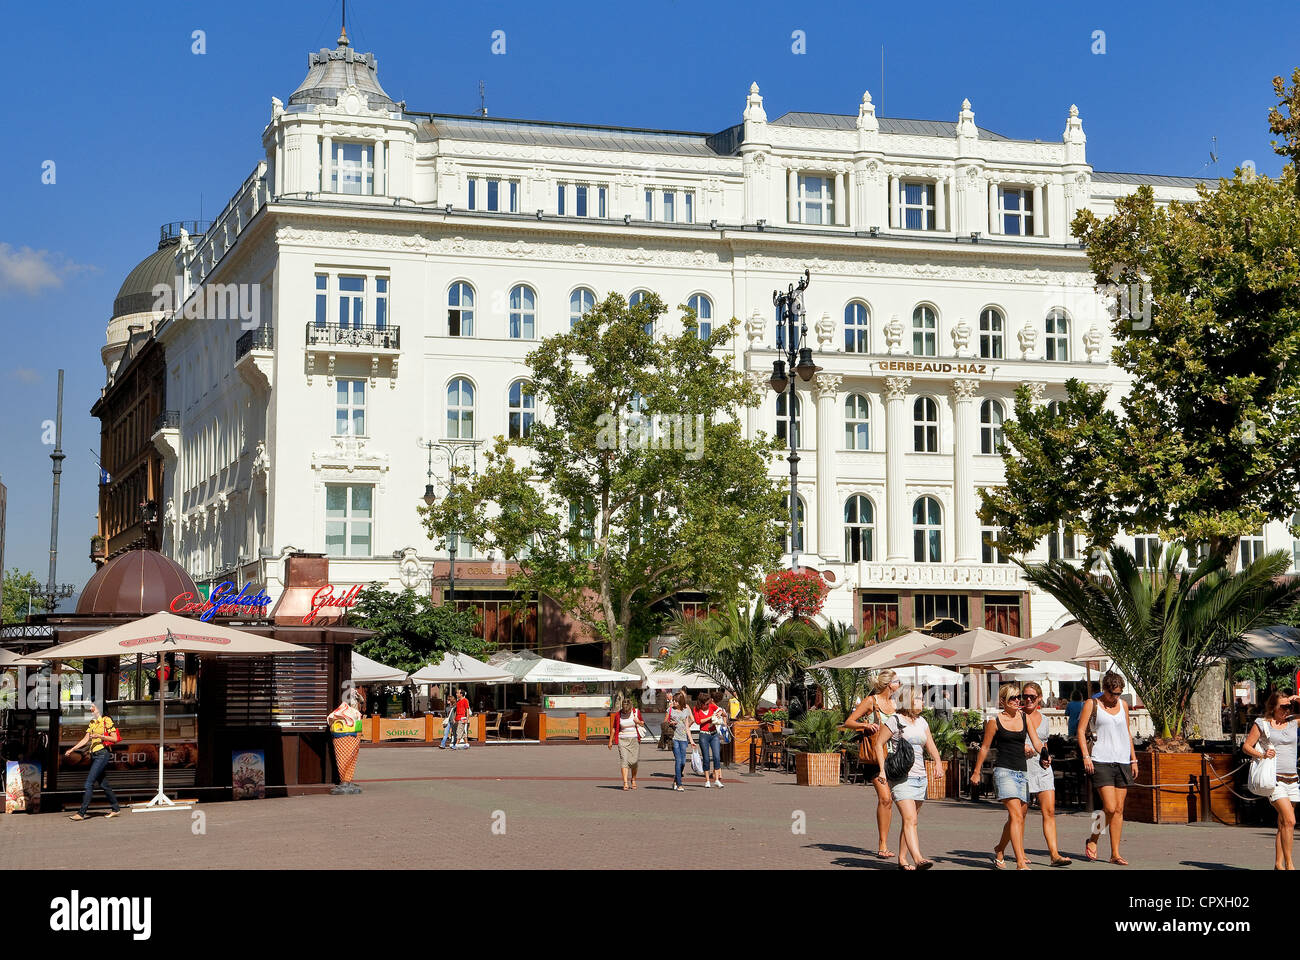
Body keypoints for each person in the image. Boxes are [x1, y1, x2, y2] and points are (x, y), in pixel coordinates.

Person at [971, 683, 1045, 870]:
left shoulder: (1024, 717)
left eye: (1017, 697)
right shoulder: (994, 721)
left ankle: (1000, 848)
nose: (1017, 701)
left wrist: (1044, 755)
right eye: (1012, 698)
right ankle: (1020, 862)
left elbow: (1036, 741)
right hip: (1004, 772)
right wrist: (977, 771)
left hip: (1022, 772)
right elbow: (985, 747)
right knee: (1016, 816)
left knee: (1017, 817)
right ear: (1002, 701)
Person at [870, 685, 942, 870]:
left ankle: (903, 859)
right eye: (919, 698)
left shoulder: (922, 722)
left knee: (909, 821)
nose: (923, 701)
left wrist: (938, 763)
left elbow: (930, 745)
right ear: (908, 700)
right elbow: (879, 744)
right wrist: (882, 770)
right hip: (902, 777)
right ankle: (918, 858)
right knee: (911, 820)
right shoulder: (896, 720)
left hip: (920, 777)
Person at [1078, 671, 1138, 865]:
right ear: (1104, 690)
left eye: (1119, 693)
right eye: (1113, 694)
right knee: (1109, 806)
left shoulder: (1123, 706)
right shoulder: (1092, 704)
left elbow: (1126, 732)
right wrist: (1086, 756)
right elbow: (1080, 731)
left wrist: (1133, 759)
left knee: (1119, 809)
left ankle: (1115, 853)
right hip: (1100, 759)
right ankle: (1093, 839)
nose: (1116, 697)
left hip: (1122, 760)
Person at [844, 669, 902, 859]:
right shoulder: (871, 701)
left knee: (891, 801)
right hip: (876, 760)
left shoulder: (896, 704)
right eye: (897, 681)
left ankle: (890, 844)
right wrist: (865, 725)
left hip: (895, 758)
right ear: (888, 684)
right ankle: (882, 845)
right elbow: (849, 722)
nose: (899, 684)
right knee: (885, 798)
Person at [1243, 689, 1300, 869]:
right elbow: (1246, 746)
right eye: (1283, 706)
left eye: (1289, 706)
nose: (1287, 710)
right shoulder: (1262, 723)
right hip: (1275, 779)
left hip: (1293, 779)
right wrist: (1261, 754)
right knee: (1290, 820)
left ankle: (1278, 864)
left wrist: (1297, 699)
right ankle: (1290, 865)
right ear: (1273, 706)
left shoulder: (1293, 722)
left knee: (1284, 823)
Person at [1019, 681, 1071, 866]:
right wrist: (1021, 747)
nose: (1028, 699)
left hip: (1042, 769)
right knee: (1020, 815)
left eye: (1032, 696)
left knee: (1049, 811)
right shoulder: (1017, 717)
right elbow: (1007, 741)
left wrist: (1046, 756)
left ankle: (1054, 855)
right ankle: (1019, 853)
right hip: (1022, 768)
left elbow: (1044, 744)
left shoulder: (1045, 720)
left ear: (1039, 698)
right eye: (1025, 696)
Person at [65, 702, 122, 821]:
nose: (90, 709)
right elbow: (85, 739)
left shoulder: (106, 720)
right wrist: (73, 749)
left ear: (99, 709)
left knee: (89, 783)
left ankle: (81, 813)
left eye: (93, 707)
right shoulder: (92, 722)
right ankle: (116, 809)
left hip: (103, 754)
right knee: (103, 784)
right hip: (94, 755)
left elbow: (115, 738)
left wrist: (99, 736)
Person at [607, 691, 648, 789]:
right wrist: (610, 741)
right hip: (622, 739)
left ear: (631, 708)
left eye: (627, 711)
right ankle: (625, 782)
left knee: (634, 761)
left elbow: (642, 723)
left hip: (634, 739)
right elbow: (614, 728)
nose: (626, 712)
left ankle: (633, 779)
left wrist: (638, 721)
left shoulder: (636, 712)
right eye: (624, 710)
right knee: (624, 760)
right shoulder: (618, 715)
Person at [666, 691, 696, 791]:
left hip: (683, 738)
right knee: (678, 760)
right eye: (673, 700)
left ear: (681, 701)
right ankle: (679, 784)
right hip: (674, 738)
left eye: (676, 701)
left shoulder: (686, 710)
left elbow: (687, 726)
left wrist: (691, 741)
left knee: (683, 762)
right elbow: (665, 722)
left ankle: (676, 779)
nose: (674, 702)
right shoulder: (670, 709)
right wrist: (671, 723)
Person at [694, 692, 725, 787]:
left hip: (714, 734)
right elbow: (698, 721)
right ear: (701, 703)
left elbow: (723, 712)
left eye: (709, 703)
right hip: (704, 735)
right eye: (706, 704)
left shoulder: (712, 706)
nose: (708, 705)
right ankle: (707, 780)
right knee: (706, 758)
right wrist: (710, 717)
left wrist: (720, 713)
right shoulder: (696, 709)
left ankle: (716, 779)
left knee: (716, 757)